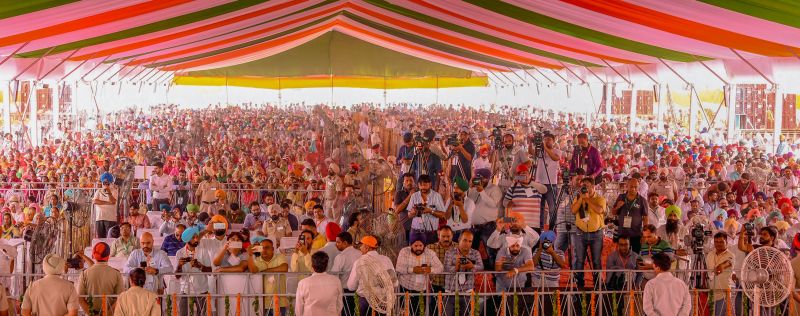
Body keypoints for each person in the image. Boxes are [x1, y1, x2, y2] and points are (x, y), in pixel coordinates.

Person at [570, 177, 606, 289]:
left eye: (587, 186)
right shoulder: (578, 197)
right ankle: (579, 285)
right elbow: (573, 210)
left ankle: (598, 285)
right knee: (579, 260)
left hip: (596, 234)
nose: (585, 188)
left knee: (596, 260)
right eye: (583, 186)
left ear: (593, 186)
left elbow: (600, 210)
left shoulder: (600, 198)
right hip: (580, 233)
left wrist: (587, 200)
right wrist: (582, 198)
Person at [348, 236, 398, 316]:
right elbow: (395, 283)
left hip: (365, 301)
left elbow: (351, 286)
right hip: (383, 302)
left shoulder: (359, 262)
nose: (360, 248)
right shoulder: (386, 260)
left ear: (367, 247)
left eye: (361, 245)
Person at [77, 242, 124, 315]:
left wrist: (92, 314)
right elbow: (120, 298)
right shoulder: (116, 274)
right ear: (108, 256)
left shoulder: (84, 274)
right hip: (110, 314)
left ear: (93, 255)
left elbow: (80, 298)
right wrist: (107, 314)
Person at [176, 227, 214, 316]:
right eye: (193, 237)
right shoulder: (180, 253)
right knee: (183, 314)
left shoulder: (203, 251)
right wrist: (179, 265)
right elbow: (177, 276)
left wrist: (199, 266)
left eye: (197, 237)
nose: (197, 239)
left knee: (202, 314)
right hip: (185, 290)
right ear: (187, 239)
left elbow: (210, 271)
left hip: (202, 290)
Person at [443, 231, 483, 316]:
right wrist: (456, 267)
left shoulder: (475, 253)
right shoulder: (449, 252)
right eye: (465, 240)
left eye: (470, 241)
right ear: (459, 239)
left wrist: (472, 266)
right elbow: (446, 268)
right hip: (451, 291)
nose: (467, 243)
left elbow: (481, 267)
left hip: (468, 292)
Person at [248, 237, 289, 316]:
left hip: (280, 302)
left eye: (267, 248)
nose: (264, 250)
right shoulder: (257, 260)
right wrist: (250, 255)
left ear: (273, 248)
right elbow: (253, 270)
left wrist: (265, 271)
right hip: (263, 302)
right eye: (262, 248)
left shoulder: (280, 257)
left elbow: (284, 268)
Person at [502, 163, 549, 232]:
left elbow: (545, 190)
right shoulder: (513, 188)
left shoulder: (536, 186)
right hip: (516, 225)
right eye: (520, 174)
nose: (523, 175)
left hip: (533, 226)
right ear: (517, 176)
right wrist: (509, 203)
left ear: (529, 174)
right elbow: (504, 202)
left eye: (524, 173)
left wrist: (529, 182)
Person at [407, 174, 447, 242]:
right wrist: (412, 212)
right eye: (421, 185)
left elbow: (443, 215)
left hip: (431, 233)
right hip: (415, 232)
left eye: (425, 185)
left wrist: (430, 211)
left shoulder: (437, 196)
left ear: (430, 184)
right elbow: (409, 215)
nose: (423, 187)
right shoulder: (414, 196)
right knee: (414, 251)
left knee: (431, 252)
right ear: (418, 185)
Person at [534, 132, 562, 228]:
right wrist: (531, 143)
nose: (547, 141)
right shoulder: (539, 151)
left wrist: (545, 147)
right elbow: (531, 152)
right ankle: (539, 228)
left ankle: (552, 228)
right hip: (539, 183)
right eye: (545, 139)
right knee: (539, 209)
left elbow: (555, 158)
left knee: (552, 208)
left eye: (549, 139)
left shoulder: (557, 151)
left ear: (553, 141)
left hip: (551, 184)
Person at [613, 178, 648, 252]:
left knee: (635, 256)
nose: (633, 189)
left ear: (638, 187)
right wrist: (617, 207)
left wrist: (645, 234)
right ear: (627, 186)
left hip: (636, 234)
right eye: (631, 186)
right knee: (622, 255)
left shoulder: (642, 200)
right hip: (622, 233)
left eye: (636, 187)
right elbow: (613, 213)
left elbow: (645, 218)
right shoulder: (621, 197)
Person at [330, 232, 361, 315]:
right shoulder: (360, 254)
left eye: (338, 242)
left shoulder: (341, 257)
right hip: (361, 291)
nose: (336, 244)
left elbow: (334, 276)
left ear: (345, 243)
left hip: (346, 293)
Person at [706, 232, 734, 316]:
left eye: (721, 242)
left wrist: (721, 266)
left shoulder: (731, 255)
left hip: (723, 294)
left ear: (726, 242)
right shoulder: (710, 254)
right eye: (716, 242)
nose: (718, 244)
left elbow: (728, 263)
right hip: (710, 293)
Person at [427, 226, 454, 293]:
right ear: (439, 236)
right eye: (443, 236)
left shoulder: (458, 247)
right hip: (436, 284)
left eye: (448, 236)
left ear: (452, 236)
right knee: (434, 303)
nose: (446, 239)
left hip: (453, 285)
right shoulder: (430, 248)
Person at [93, 172, 118, 238]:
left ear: (110, 182)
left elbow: (113, 201)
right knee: (101, 239)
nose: (105, 183)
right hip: (99, 218)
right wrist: (107, 203)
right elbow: (95, 201)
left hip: (110, 218)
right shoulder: (98, 191)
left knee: (111, 239)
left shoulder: (114, 191)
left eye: (107, 182)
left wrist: (109, 192)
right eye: (104, 182)